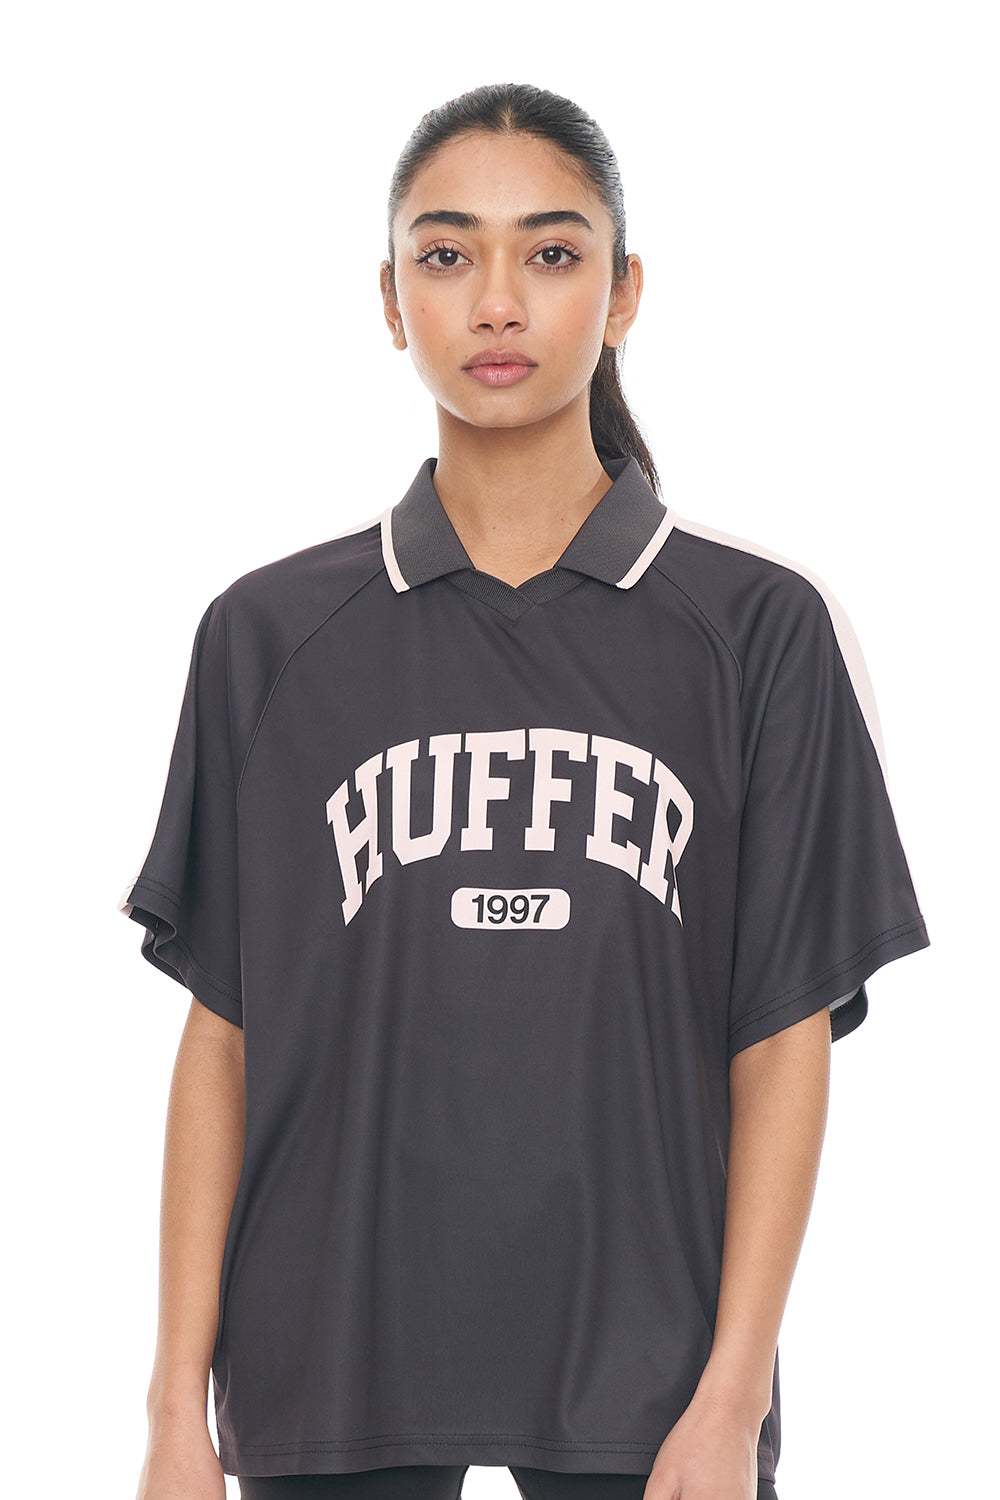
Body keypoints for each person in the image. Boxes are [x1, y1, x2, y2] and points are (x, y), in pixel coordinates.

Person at [120, 82, 930, 1500]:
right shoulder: (268, 635)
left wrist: (733, 1395)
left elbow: (782, 1038)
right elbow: (222, 1038)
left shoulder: (757, 631)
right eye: (446, 255)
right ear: (391, 301)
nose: (497, 302)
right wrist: (171, 1413)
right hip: (329, 1359)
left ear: (624, 294)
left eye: (552, 253)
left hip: (654, 1374)